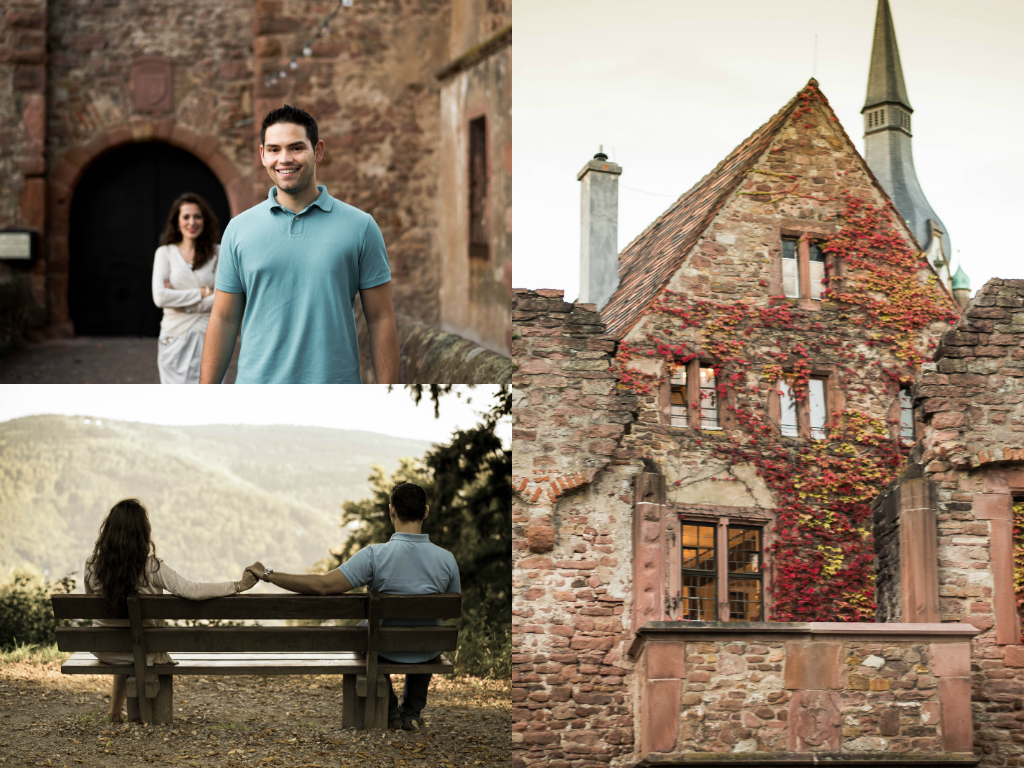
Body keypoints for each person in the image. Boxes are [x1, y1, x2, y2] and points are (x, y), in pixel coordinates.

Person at [200, 104, 400, 384]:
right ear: (262, 155)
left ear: (318, 151)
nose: (284, 159)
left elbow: (380, 319)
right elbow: (223, 318)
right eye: (274, 149)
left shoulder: (361, 227)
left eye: (296, 148)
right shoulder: (238, 229)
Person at [246, 482, 459, 730]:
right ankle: (411, 713)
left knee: (365, 631)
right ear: (425, 512)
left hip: (383, 649)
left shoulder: (374, 556)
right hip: (427, 649)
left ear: (391, 511)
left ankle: (390, 713)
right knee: (424, 634)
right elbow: (448, 610)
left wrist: (268, 574)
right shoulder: (447, 560)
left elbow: (323, 585)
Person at [84, 498, 260, 723]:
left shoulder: (92, 565)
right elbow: (193, 590)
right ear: (143, 533)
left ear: (108, 531)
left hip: (106, 650)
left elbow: (91, 601)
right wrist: (237, 585)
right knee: (138, 646)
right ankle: (148, 716)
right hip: (144, 652)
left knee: (125, 640)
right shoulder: (153, 568)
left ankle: (114, 713)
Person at [151, 193, 221, 383]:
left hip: (208, 336)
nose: (192, 222)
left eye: (197, 216)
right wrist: (203, 292)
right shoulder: (165, 253)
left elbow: (224, 299)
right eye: (186, 217)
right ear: (177, 221)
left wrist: (182, 303)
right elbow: (160, 297)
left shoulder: (218, 253)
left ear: (205, 220)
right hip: (174, 337)